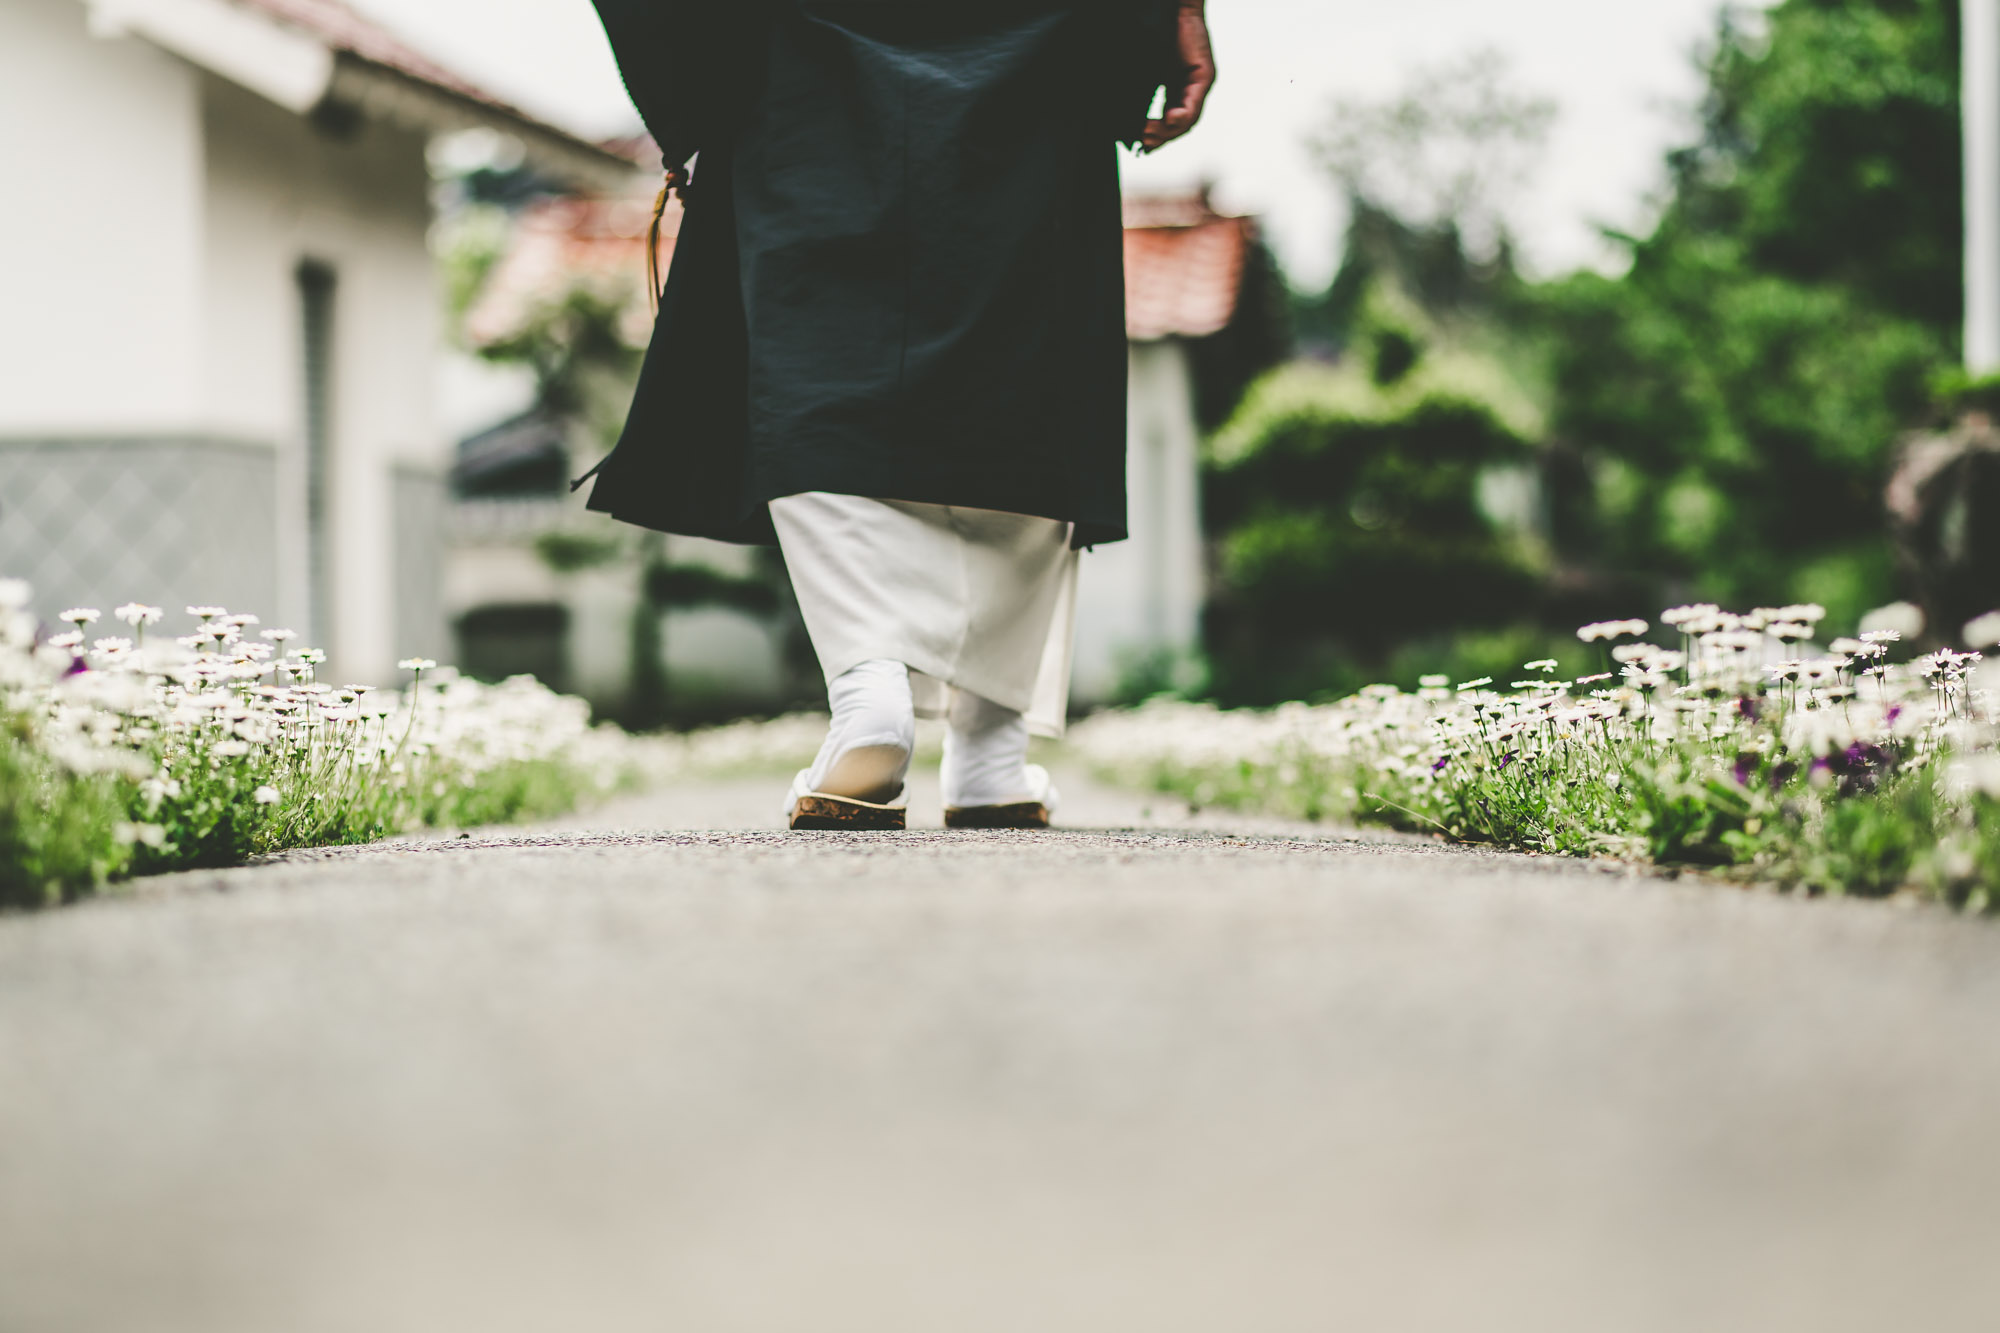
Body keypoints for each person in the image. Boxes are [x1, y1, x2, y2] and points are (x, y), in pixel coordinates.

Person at [584, 0, 1217, 830]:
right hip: (1039, 27)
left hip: (804, 32)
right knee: (1022, 326)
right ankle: (991, 742)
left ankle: (871, 692)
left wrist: (688, 85)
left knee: (815, 346)